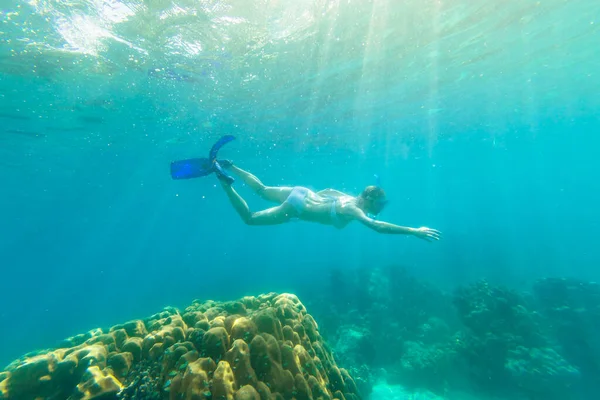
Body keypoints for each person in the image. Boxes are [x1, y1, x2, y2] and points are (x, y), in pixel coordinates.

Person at [214, 160, 441, 242]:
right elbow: (377, 227)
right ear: (369, 199)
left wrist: (316, 201)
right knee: (250, 219)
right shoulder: (353, 208)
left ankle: (230, 166)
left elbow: (329, 189)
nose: (380, 209)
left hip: (302, 192)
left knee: (262, 190)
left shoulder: (349, 197)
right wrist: (413, 230)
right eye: (379, 204)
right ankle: (226, 184)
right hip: (296, 207)